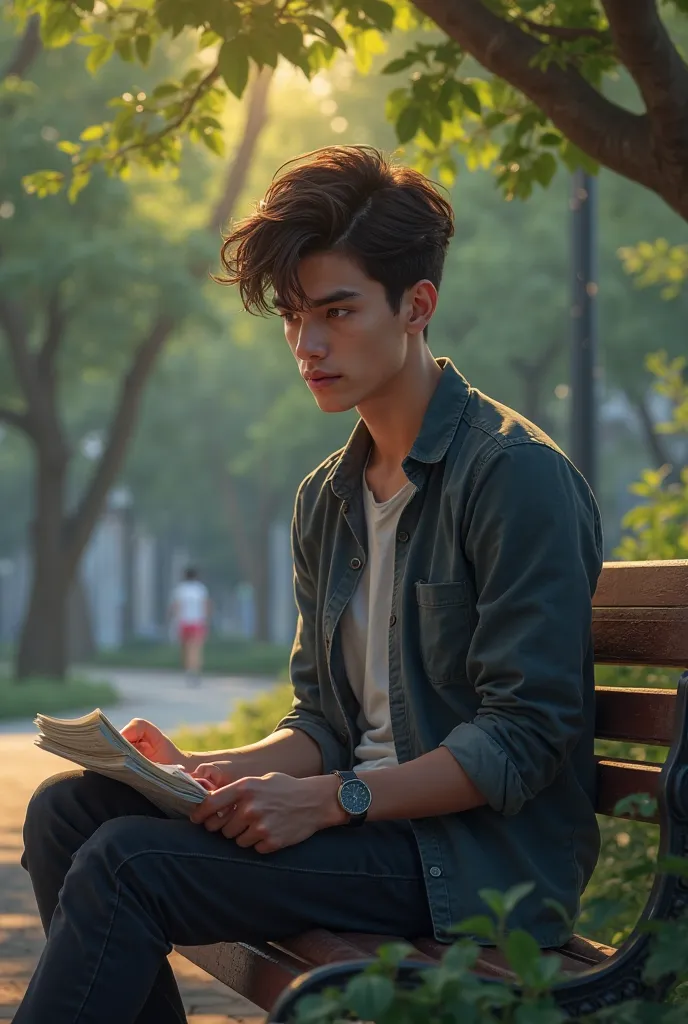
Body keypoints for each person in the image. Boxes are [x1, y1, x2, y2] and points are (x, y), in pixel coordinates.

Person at [16, 146, 603, 1024]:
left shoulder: (512, 476)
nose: (308, 344)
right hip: (365, 832)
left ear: (417, 305)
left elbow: (523, 737)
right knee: (70, 814)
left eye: (336, 310)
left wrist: (331, 801)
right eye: (293, 316)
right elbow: (326, 722)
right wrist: (214, 773)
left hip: (472, 865)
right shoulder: (328, 498)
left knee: (129, 865)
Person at [169, 567, 210, 686]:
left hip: (183, 622)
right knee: (196, 649)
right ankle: (195, 671)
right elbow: (205, 605)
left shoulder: (180, 590)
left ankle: (189, 671)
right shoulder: (201, 589)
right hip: (197, 622)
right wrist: (206, 620)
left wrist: (175, 621)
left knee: (185, 649)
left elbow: (176, 606)